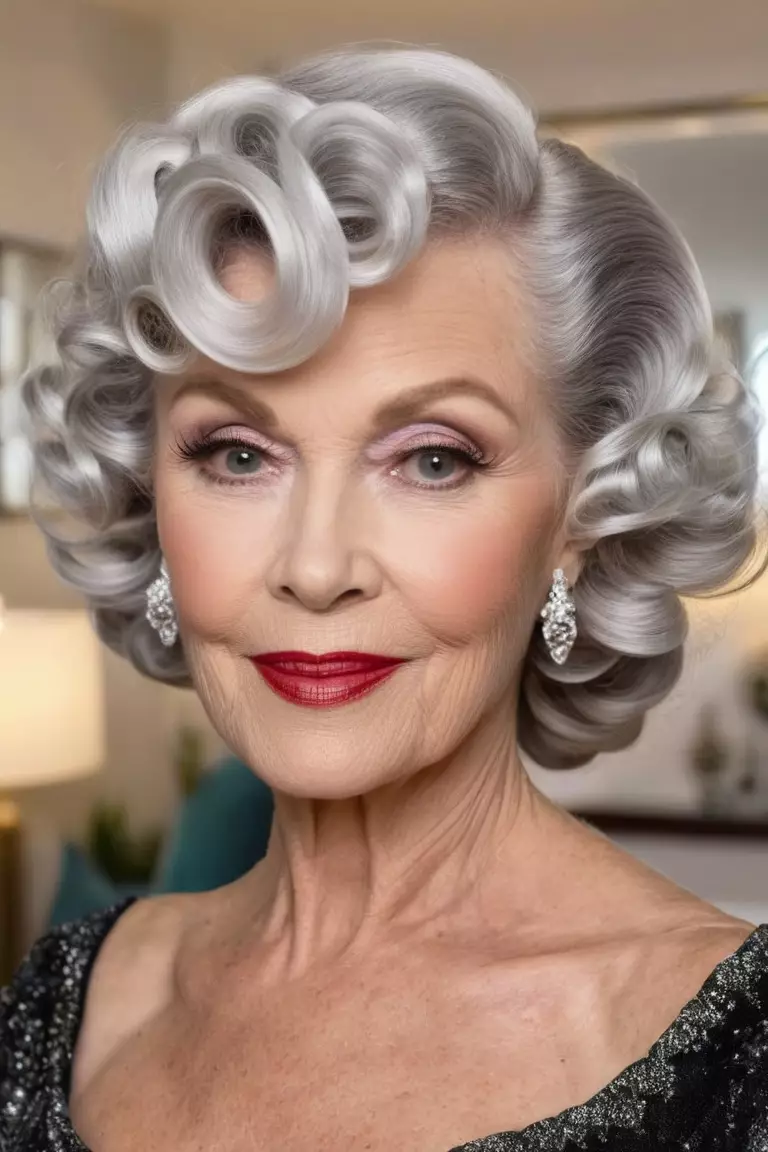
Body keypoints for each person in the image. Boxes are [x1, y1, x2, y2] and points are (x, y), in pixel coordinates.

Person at [2, 44, 767, 1152]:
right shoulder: (71, 1006)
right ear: (144, 492)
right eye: (234, 455)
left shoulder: (737, 1064)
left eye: (434, 459)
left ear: (580, 522)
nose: (317, 569)